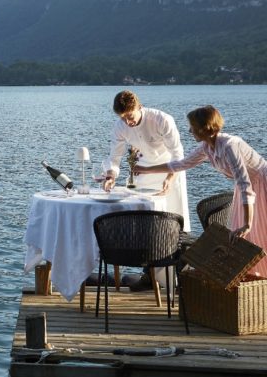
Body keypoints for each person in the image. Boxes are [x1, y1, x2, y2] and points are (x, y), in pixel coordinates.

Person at [144, 105, 267, 279]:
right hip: (246, 191)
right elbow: (181, 164)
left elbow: (245, 185)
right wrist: (145, 169)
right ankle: (256, 282)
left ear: (204, 128)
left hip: (261, 185)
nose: (190, 130)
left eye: (193, 127)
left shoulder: (230, 146)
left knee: (258, 234)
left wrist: (247, 223)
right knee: (245, 242)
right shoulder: (207, 147)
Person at [101, 90, 191, 290]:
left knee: (172, 227)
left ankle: (178, 280)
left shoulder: (161, 119)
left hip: (170, 173)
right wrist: (110, 176)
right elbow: (114, 158)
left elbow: (178, 154)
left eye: (130, 116)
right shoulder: (120, 127)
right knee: (146, 226)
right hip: (144, 175)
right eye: (122, 117)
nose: (127, 122)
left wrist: (169, 177)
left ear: (138, 107)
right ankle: (149, 276)